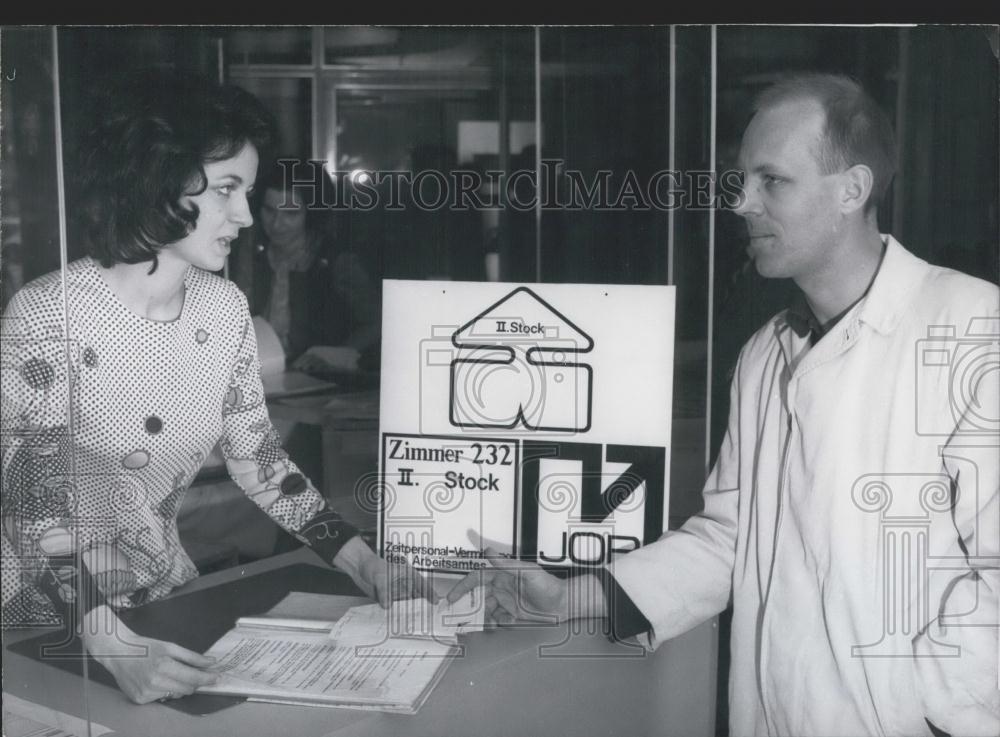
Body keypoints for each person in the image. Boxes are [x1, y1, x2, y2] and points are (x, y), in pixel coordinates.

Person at [449, 73, 999, 736]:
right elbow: (726, 540)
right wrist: (573, 596)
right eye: (742, 180)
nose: (740, 202)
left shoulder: (971, 330)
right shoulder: (765, 356)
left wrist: (937, 713)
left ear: (852, 189)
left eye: (772, 180)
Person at [0, 72, 431, 705]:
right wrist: (115, 648)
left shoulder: (224, 308)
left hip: (158, 597)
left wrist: (366, 564)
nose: (247, 215)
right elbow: (29, 510)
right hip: (48, 623)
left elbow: (261, 462)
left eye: (248, 191)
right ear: (154, 180)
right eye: (227, 188)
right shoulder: (48, 315)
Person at [240, 161, 380, 366]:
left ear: (312, 214)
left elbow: (377, 323)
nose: (277, 224)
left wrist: (333, 356)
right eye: (269, 211)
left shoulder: (336, 261)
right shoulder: (251, 252)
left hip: (318, 383)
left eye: (291, 213)